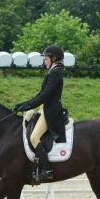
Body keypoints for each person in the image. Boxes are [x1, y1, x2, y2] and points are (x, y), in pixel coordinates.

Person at [13, 45, 67, 183]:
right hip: (45, 108)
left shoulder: (55, 73)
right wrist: (24, 104)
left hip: (50, 111)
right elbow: (41, 94)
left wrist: (28, 105)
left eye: (46, 58)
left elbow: (45, 95)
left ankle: (47, 169)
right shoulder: (53, 72)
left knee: (34, 137)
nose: (44, 61)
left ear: (54, 59)